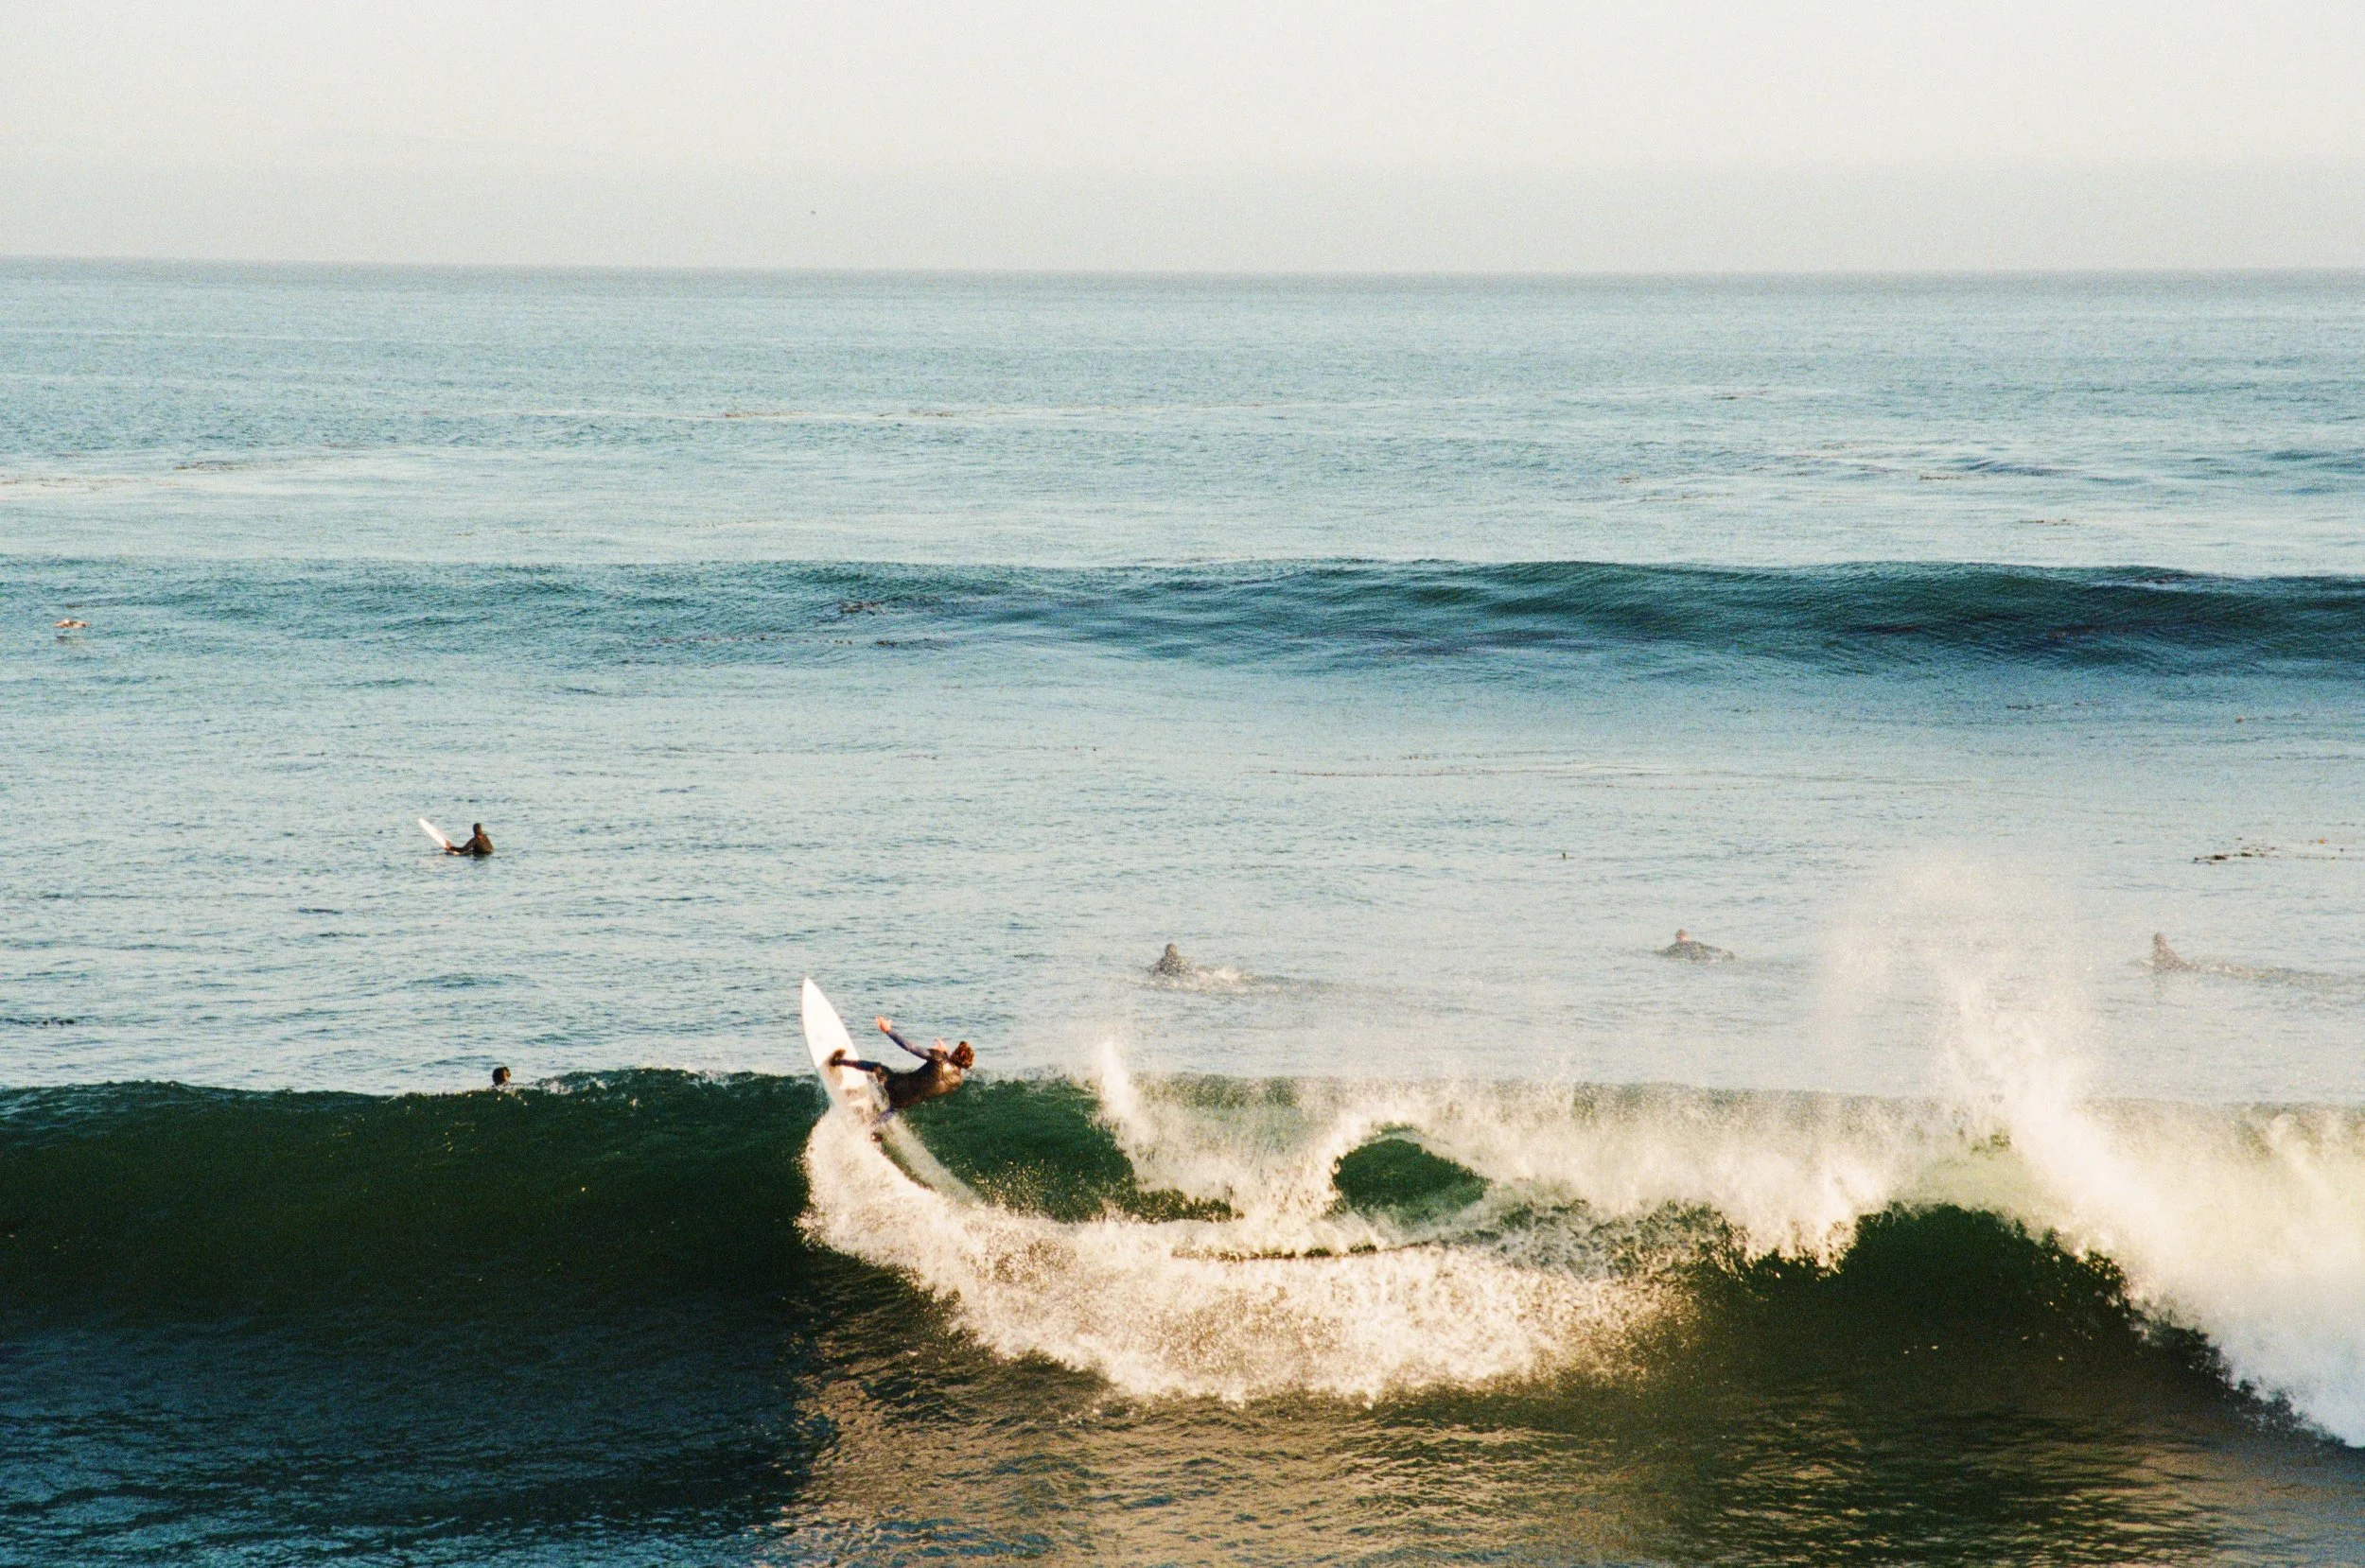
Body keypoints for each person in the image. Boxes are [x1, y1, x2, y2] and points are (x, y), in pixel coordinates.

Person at [831, 1017, 974, 1113]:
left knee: (878, 1068)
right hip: (907, 1102)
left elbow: (910, 1047)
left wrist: (888, 1030)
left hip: (897, 1085)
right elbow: (947, 1071)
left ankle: (838, 1061)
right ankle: (872, 1129)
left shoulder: (938, 1058)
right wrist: (947, 1054)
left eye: (955, 1050)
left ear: (956, 1054)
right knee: (892, 1109)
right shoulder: (957, 1082)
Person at [1659, 929, 1734, 962]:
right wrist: (1724, 951)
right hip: (1703, 956)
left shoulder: (1675, 946)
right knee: (1709, 959)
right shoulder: (1696, 943)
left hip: (1691, 958)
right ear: (1687, 937)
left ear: (1677, 938)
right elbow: (1710, 948)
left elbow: (1661, 953)